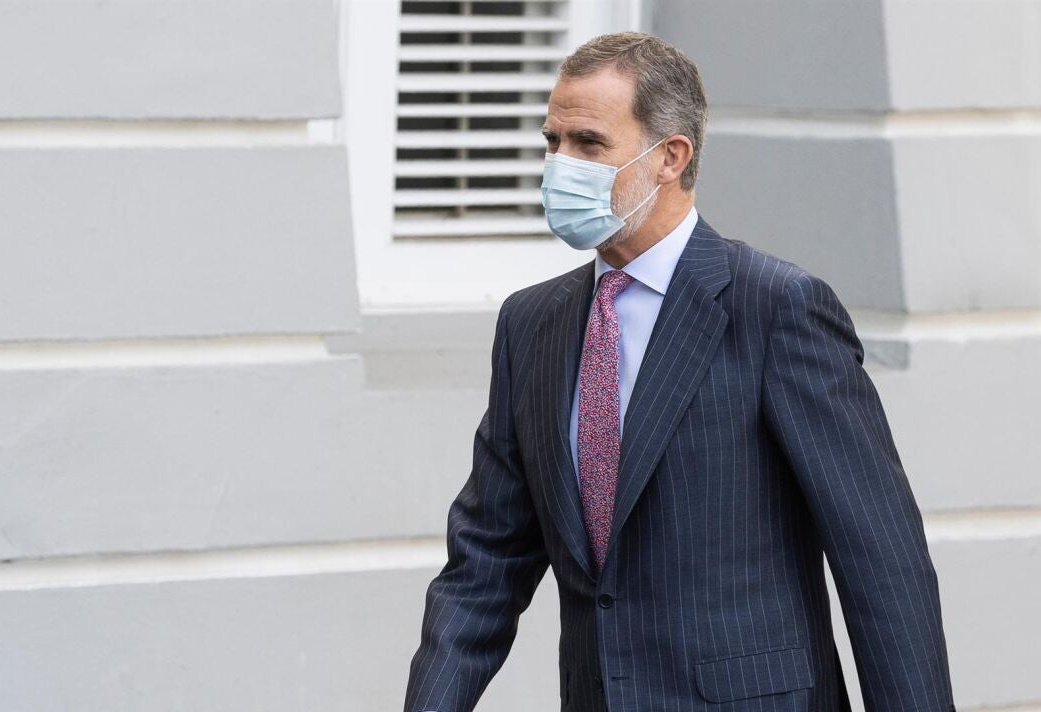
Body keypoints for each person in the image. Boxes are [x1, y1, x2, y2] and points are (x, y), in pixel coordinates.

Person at [404, 32, 955, 712]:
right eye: (552, 141)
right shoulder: (531, 324)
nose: (560, 165)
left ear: (670, 156)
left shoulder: (777, 308)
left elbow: (883, 564)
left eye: (588, 143)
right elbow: (486, 562)